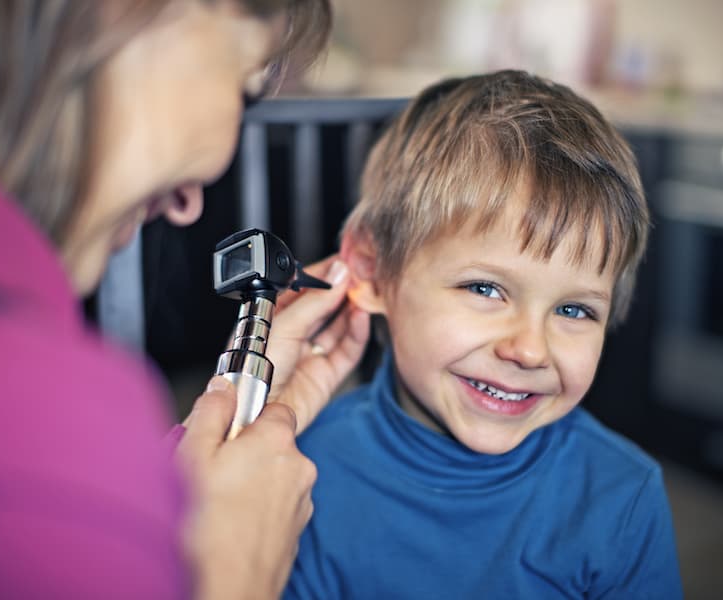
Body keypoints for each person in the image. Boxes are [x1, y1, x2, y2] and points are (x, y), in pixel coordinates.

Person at [0, 1, 370, 598]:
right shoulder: (6, 416)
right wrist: (231, 571)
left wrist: (166, 478)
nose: (191, 201)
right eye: (243, 81)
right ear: (119, 13)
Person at [285, 71, 683, 599]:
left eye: (573, 309)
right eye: (486, 289)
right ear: (373, 271)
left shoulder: (622, 498)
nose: (529, 349)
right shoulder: (300, 471)